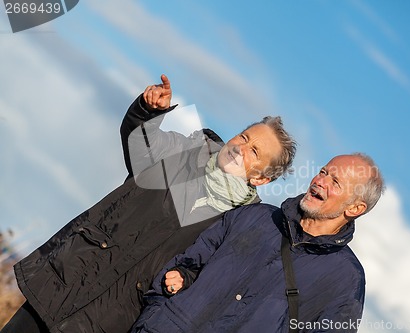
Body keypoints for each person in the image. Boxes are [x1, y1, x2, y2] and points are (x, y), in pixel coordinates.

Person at [3, 74, 296, 333]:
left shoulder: (242, 223)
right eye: (244, 137)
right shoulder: (188, 150)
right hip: (67, 281)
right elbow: (140, 144)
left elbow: (208, 273)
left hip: (112, 317)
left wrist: (185, 277)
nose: (240, 148)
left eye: (254, 151)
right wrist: (147, 110)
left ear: (261, 179)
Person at [131, 153, 385, 333]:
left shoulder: (346, 279)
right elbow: (186, 264)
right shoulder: (254, 216)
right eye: (323, 172)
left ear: (355, 208)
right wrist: (158, 318)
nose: (320, 181)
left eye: (335, 182)